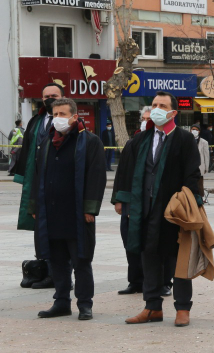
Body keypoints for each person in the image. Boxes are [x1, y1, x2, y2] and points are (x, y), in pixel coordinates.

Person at [115, 92, 203, 327]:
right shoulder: (140, 140)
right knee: (149, 257)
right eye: (154, 105)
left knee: (178, 260)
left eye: (162, 106)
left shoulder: (184, 139)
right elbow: (127, 170)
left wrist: (191, 204)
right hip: (145, 209)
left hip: (174, 211)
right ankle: (152, 307)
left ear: (173, 112)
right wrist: (122, 200)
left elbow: (193, 174)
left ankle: (182, 308)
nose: (156, 109)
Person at [31, 98, 106, 319]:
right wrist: (34, 205)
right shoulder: (46, 141)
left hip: (76, 213)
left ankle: (85, 304)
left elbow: (97, 177)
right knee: (56, 261)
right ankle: (61, 302)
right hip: (51, 212)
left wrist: (90, 208)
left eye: (63, 114)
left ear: (74, 116)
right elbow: (36, 176)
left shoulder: (90, 142)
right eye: (55, 114)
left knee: (81, 260)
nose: (58, 119)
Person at [11, 83, 67, 290]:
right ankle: (47, 271)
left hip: (59, 182)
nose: (49, 98)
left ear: (63, 96)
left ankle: (60, 275)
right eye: (46, 96)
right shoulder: (36, 120)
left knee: (59, 230)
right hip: (38, 182)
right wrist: (23, 177)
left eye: (54, 95)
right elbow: (27, 148)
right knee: (40, 228)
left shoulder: (68, 121)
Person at [114, 107, 153, 295]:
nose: (145, 122)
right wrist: (119, 200)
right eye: (143, 118)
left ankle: (160, 282)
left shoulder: (164, 142)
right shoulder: (133, 143)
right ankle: (135, 281)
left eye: (149, 118)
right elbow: (122, 172)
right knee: (130, 241)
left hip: (153, 203)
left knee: (154, 245)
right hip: (131, 202)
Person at [190, 123, 211, 195]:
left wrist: (206, 167)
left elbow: (206, 156)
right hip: (190, 166)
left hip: (200, 166)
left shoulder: (204, 142)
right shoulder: (187, 140)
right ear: (190, 130)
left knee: (199, 184)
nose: (194, 131)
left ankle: (200, 198)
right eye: (193, 129)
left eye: (196, 130)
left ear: (199, 131)